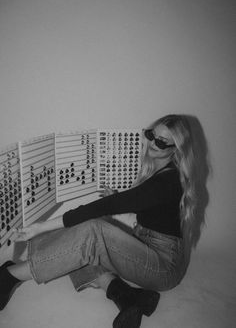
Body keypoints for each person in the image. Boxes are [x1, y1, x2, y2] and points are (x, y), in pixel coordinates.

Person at [0, 114, 198, 328]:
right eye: (151, 135)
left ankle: (10, 276)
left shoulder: (166, 181)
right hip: (147, 247)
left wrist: (38, 228)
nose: (151, 143)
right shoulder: (161, 173)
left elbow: (102, 208)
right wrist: (118, 196)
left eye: (161, 141)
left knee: (90, 232)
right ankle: (125, 295)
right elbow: (152, 209)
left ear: (176, 149)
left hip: (163, 267)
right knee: (74, 250)